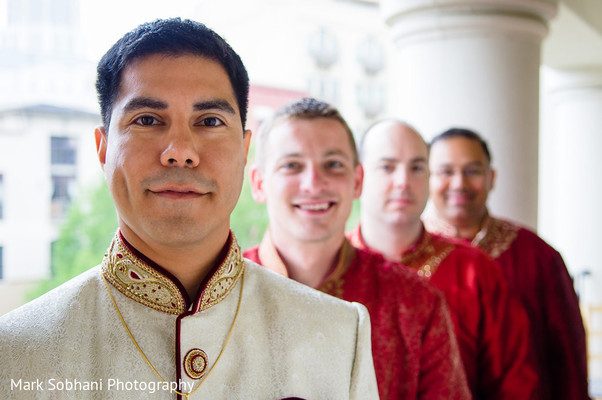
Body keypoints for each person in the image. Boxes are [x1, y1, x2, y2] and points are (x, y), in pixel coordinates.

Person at [0, 19, 380, 399]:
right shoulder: (17, 351)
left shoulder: (337, 334)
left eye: (210, 121)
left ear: (245, 151)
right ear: (103, 149)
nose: (180, 151)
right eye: (147, 120)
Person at [244, 98, 471, 399]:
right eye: (292, 165)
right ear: (259, 184)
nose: (313, 184)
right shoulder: (216, 295)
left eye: (333, 165)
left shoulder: (416, 303)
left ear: (357, 181)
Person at [349, 119, 541, 399]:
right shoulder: (332, 266)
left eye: (417, 168)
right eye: (387, 167)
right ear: (358, 178)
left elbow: (514, 384)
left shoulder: (475, 270)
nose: (403, 181)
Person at [425, 127, 590, 400]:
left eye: (472, 171)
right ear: (427, 179)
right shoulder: (407, 258)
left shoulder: (538, 256)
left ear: (492, 177)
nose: (458, 184)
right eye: (445, 172)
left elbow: (568, 356)